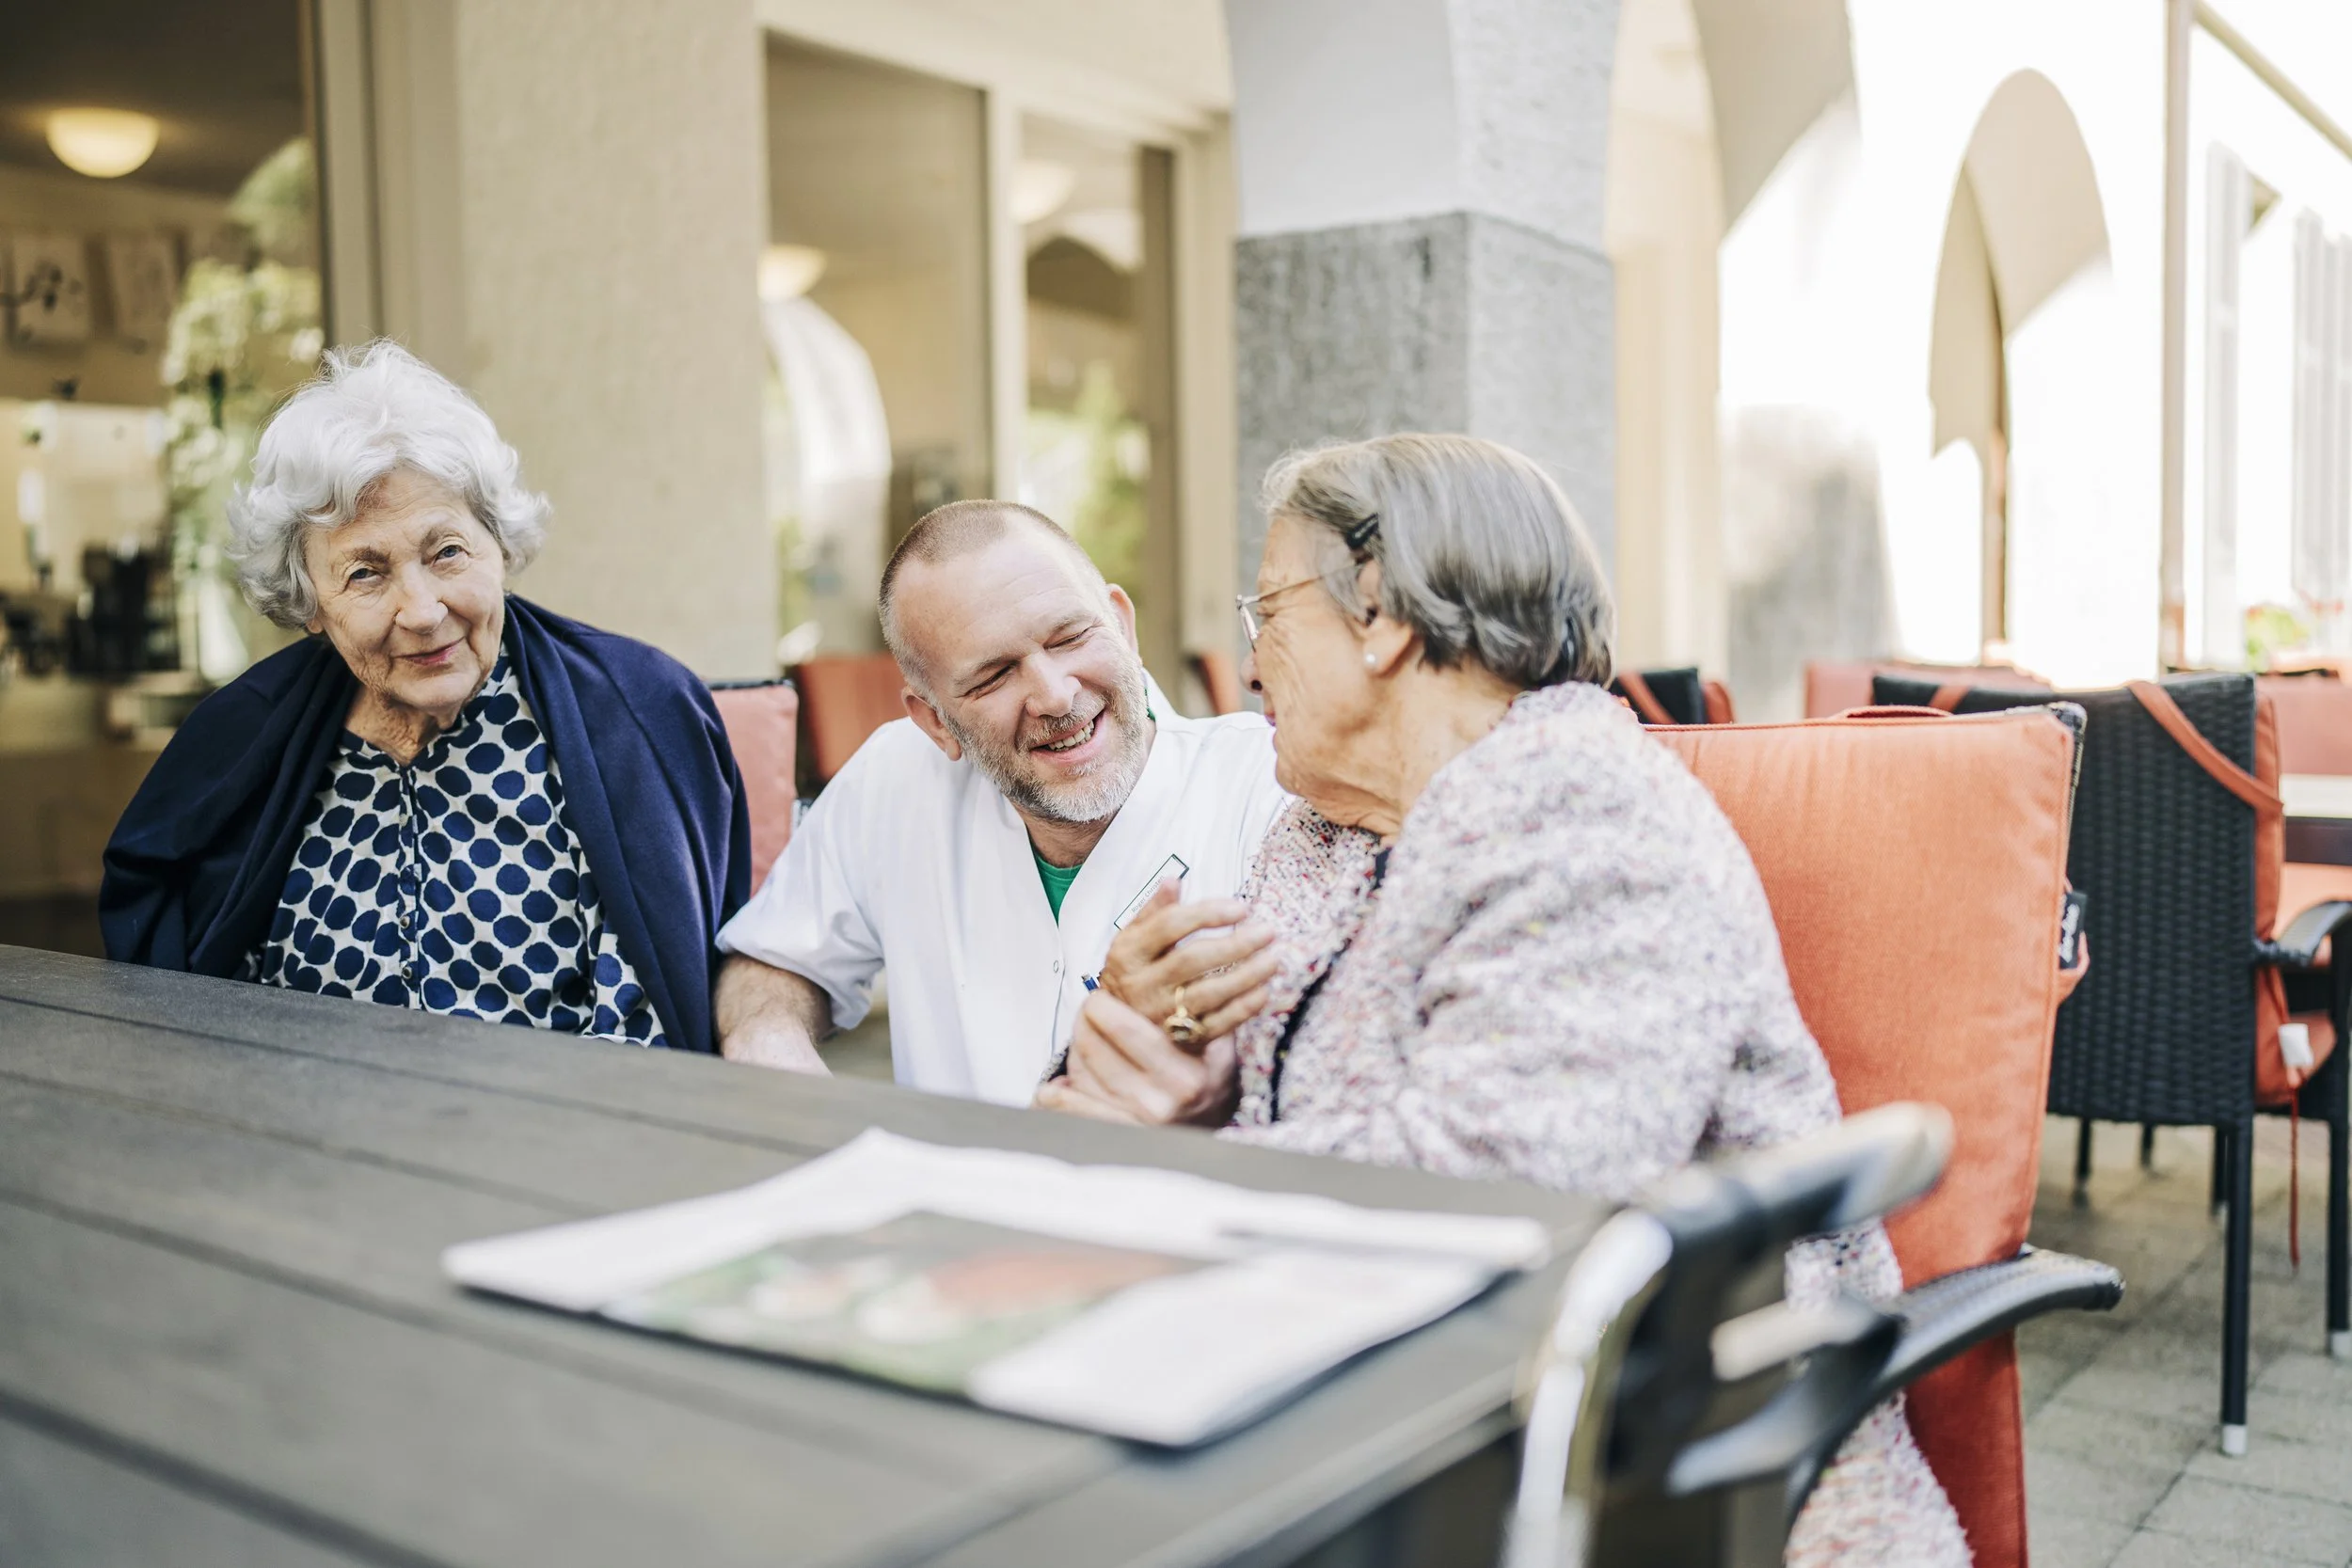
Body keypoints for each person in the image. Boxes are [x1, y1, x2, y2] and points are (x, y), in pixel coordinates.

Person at [1039, 434, 1971, 1567]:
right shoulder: (1322, 833)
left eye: (1268, 610)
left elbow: (1502, 1196)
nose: (1248, 662)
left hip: (1666, 1471)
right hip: (1400, 1411)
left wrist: (1160, 1175)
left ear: (1381, 612)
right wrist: (1163, 1062)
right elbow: (1278, 1090)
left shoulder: (1588, 818)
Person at [102, 341, 748, 1054]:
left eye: (446, 553)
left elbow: (653, 1024)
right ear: (309, 603)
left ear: (499, 547)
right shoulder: (237, 737)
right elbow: (170, 973)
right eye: (365, 574)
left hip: (560, 1116)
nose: (422, 610)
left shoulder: (638, 713)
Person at [714, 500, 1290, 1102]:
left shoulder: (1269, 785)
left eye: (1070, 637)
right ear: (934, 721)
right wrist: (764, 1039)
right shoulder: (895, 777)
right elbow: (774, 959)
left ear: (1122, 625)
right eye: (993, 676)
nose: (1054, 695)